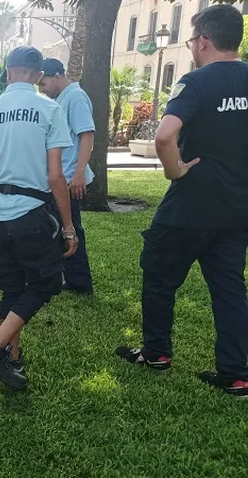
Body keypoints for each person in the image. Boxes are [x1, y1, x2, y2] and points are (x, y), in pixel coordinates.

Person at [116, 4, 248, 398]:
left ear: (204, 40)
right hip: (237, 208)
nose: (191, 47)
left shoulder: (195, 82)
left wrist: (174, 170)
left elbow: (163, 135)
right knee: (230, 289)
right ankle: (237, 374)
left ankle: (156, 352)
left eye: (191, 40)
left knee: (158, 274)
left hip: (189, 206)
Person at [0, 46, 78, 391]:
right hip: (30, 214)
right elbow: (55, 176)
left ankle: (12, 360)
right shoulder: (49, 108)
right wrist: (69, 227)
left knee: (13, 288)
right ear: (39, 75)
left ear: (8, 72)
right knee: (46, 283)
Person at [37, 57, 95, 295]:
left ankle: (79, 282)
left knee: (71, 229)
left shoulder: (76, 97)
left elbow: (87, 135)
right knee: (61, 227)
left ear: (57, 76)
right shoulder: (62, 98)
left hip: (70, 178)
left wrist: (79, 173)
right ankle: (71, 278)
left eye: (44, 84)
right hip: (62, 176)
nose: (42, 89)